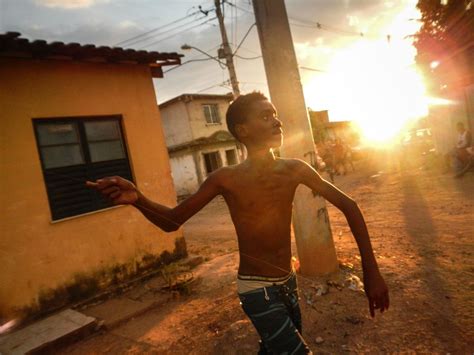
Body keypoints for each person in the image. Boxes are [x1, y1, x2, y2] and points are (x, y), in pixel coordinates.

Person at [86, 92, 389, 354]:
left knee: (274, 350)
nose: (276, 120)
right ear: (242, 130)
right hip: (256, 290)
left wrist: (371, 271)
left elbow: (349, 206)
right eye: (266, 115)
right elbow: (172, 221)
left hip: (288, 283)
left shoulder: (295, 169)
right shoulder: (225, 179)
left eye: (275, 114)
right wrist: (138, 198)